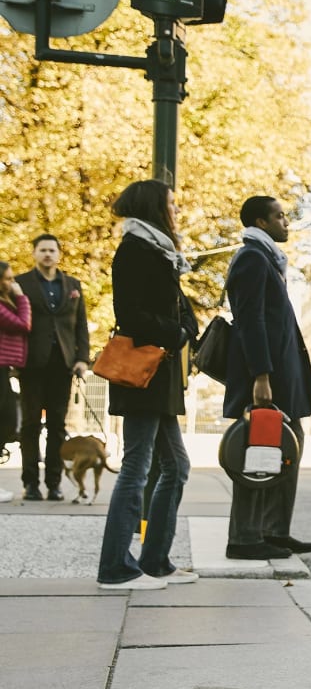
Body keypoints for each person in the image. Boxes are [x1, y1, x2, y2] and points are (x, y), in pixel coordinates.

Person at [97, 180, 199, 589]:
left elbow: (177, 308)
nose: (177, 210)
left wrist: (185, 326)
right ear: (154, 206)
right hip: (143, 372)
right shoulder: (135, 250)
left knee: (176, 467)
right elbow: (131, 314)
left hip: (160, 375)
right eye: (171, 203)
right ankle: (115, 568)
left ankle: (155, 560)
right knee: (137, 468)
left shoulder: (160, 251)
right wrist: (176, 332)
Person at [223, 196, 311, 561]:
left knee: (286, 448)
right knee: (257, 450)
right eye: (280, 216)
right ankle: (245, 537)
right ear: (261, 222)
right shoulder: (251, 258)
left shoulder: (268, 259)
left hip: (282, 374)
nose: (286, 222)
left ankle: (274, 531)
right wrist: (260, 375)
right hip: (267, 375)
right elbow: (251, 320)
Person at [16, 234, 89, 501]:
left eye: (52, 250)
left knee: (57, 426)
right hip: (31, 364)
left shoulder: (73, 285)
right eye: (43, 250)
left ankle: (54, 483)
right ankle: (30, 483)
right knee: (30, 425)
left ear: (59, 254)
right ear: (35, 253)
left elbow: (81, 325)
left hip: (63, 364)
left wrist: (82, 358)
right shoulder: (21, 284)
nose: (47, 254)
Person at [0, 262, 31, 504]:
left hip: (4, 368)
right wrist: (21, 298)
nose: (13, 283)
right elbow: (23, 324)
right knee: (8, 419)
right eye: (8, 279)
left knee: (8, 420)